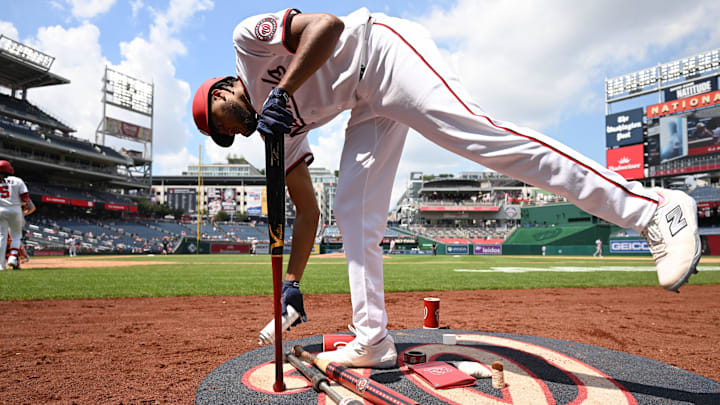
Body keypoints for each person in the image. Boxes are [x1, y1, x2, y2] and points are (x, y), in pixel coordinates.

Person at [192, 8, 700, 368]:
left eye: (217, 124)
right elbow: (307, 212)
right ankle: (371, 339)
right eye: (221, 137)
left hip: (383, 50)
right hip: (364, 105)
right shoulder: (276, 132)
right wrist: (293, 283)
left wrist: (281, 91)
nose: (227, 134)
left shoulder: (245, 42)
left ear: (217, 91)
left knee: (484, 139)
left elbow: (328, 26)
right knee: (350, 209)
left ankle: (656, 208)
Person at [0, 160, 35, 270]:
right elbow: (25, 198)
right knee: (16, 236)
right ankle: (13, 257)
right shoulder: (17, 180)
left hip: (0, 209)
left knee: (2, 237)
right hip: (15, 209)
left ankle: (1, 266)